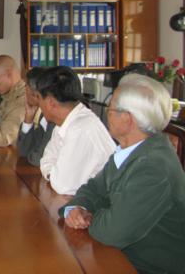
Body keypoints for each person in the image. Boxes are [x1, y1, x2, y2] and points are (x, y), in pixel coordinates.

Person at [61, 74, 185, 273]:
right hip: (121, 257)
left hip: (148, 267)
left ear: (127, 119)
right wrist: (79, 207)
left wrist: (90, 215)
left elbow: (113, 231)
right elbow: (93, 188)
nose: (106, 113)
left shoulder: (153, 167)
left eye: (110, 108)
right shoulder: (129, 151)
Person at [38, 66, 115, 195]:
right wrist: (53, 174)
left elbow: (63, 185)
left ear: (50, 102)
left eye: (39, 98)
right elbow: (45, 161)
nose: (38, 104)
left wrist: (53, 174)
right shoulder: (64, 123)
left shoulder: (81, 127)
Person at [17, 67, 56, 166]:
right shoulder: (43, 115)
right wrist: (28, 120)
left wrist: (33, 154)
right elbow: (23, 151)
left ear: (34, 94)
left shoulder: (54, 118)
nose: (24, 91)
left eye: (25, 86)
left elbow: (39, 159)